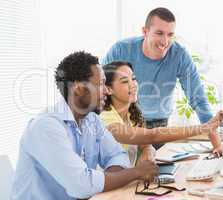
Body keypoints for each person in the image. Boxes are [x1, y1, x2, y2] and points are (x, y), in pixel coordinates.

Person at [10, 52, 159, 200]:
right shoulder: (46, 127)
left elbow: (117, 155)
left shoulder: (92, 120)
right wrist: (137, 172)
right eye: (101, 84)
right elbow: (81, 186)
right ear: (79, 88)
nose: (107, 90)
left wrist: (106, 180)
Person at [102, 7, 223, 151]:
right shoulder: (121, 50)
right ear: (145, 31)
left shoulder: (179, 55)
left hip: (156, 123)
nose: (165, 41)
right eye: (159, 33)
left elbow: (198, 99)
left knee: (154, 169)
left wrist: (218, 146)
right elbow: (100, 85)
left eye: (170, 34)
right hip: (124, 120)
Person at [100, 61, 223, 165]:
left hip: (125, 184)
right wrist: (204, 128)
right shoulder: (106, 119)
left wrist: (147, 151)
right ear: (109, 89)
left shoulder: (130, 115)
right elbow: (152, 136)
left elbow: (145, 143)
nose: (133, 85)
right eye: (124, 81)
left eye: (133, 79)